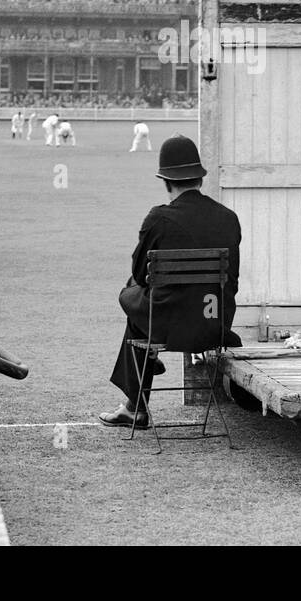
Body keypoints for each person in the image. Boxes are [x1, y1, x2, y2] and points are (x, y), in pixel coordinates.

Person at [99, 136, 242, 429]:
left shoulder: (158, 219)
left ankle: (136, 404)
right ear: (200, 179)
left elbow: (141, 277)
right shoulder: (229, 218)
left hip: (166, 328)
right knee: (144, 300)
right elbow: (233, 282)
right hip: (213, 324)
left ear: (166, 180)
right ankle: (137, 394)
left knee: (130, 294)